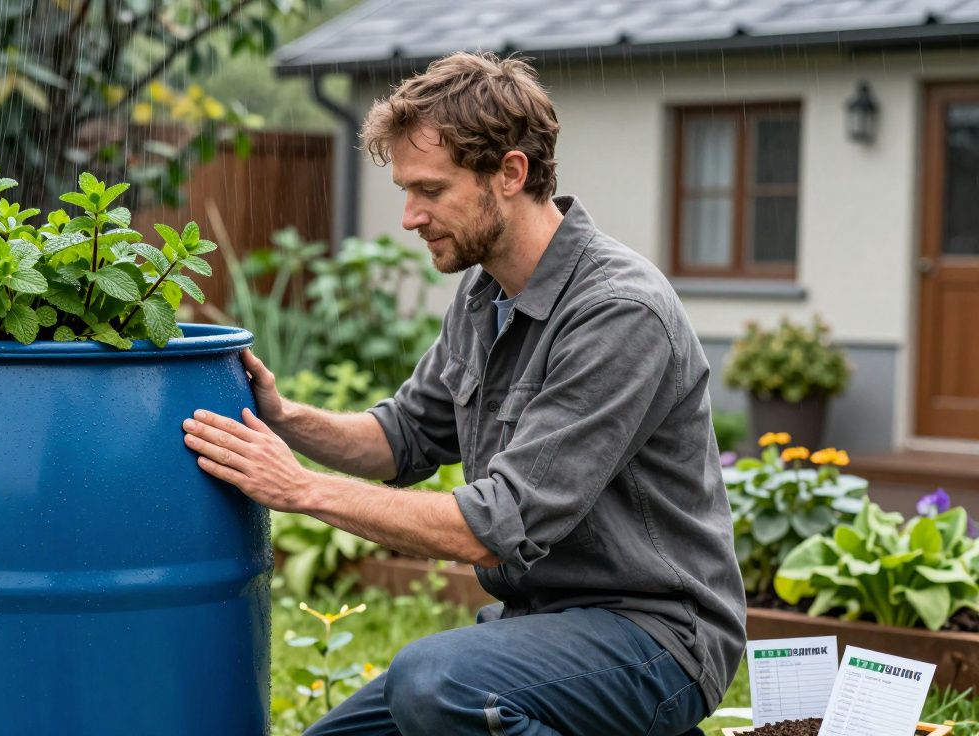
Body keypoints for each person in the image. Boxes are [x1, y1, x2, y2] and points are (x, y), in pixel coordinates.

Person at [181, 50, 745, 736]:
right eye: (405, 192)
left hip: (655, 640)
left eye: (431, 190)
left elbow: (501, 525)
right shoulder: (486, 295)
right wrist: (285, 418)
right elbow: (401, 437)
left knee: (437, 684)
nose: (410, 217)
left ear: (510, 173)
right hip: (543, 629)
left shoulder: (619, 313)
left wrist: (300, 489)